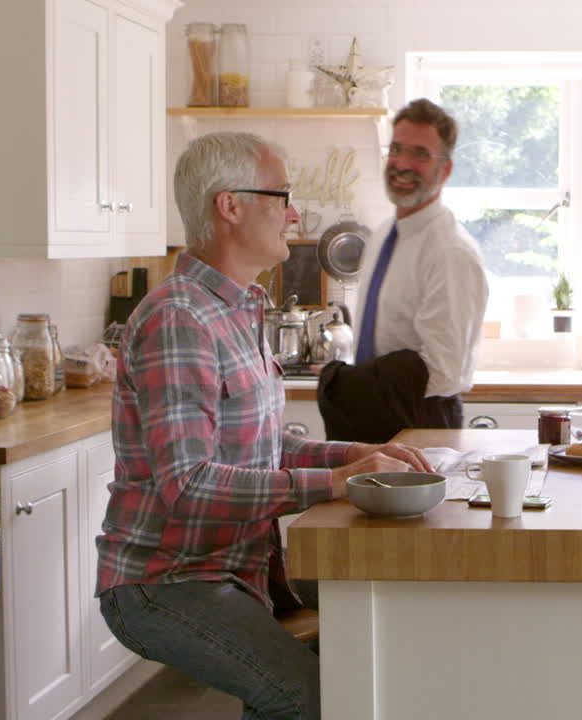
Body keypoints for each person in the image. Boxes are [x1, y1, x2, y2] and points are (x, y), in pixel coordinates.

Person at [95, 131, 431, 720]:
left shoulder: (238, 307)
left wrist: (360, 454)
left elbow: (262, 446)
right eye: (282, 196)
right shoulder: (179, 319)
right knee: (310, 700)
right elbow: (189, 486)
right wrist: (338, 483)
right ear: (229, 206)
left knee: (378, 620)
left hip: (237, 566)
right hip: (168, 581)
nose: (293, 214)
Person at [324, 98, 487, 439]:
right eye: (396, 150)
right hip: (377, 414)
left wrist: (349, 384)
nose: (402, 164)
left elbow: (443, 371)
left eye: (420, 154)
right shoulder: (383, 234)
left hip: (420, 419)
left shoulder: (450, 252)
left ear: (446, 170)